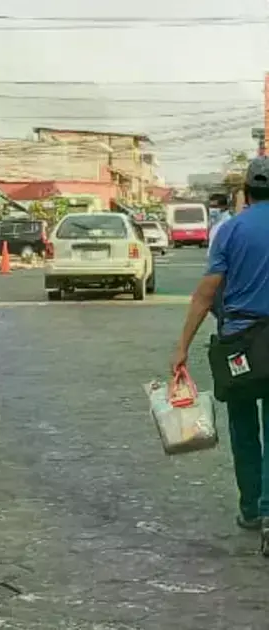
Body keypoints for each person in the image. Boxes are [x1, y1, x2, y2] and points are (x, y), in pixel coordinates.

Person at [171, 157, 269, 554]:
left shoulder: (230, 231)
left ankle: (251, 508)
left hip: (238, 343)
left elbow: (206, 293)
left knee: (244, 428)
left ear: (245, 193)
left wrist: (182, 348)